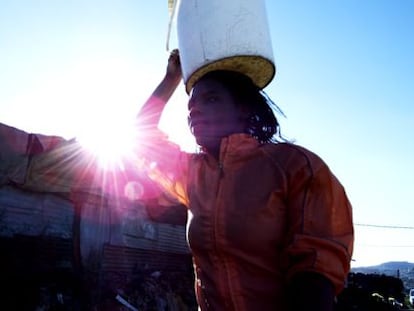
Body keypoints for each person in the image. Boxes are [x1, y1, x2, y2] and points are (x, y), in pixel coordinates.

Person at [135, 49, 354, 311]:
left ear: (243, 108)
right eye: (191, 106)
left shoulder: (295, 166)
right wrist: (171, 78)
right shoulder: (193, 173)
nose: (196, 111)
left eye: (212, 99)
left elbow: (316, 269)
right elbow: (142, 139)